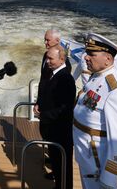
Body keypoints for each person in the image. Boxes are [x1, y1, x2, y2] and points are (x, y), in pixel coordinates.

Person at [73, 33, 117, 189]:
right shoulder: (96, 77)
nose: (86, 57)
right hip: (87, 155)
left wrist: (110, 177)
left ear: (108, 59)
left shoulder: (116, 89)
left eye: (92, 54)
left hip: (97, 160)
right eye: (87, 53)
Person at [34, 45, 76, 189]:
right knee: (57, 165)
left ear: (62, 59)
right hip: (52, 129)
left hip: (60, 131)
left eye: (51, 58)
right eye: (47, 58)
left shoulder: (65, 78)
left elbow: (65, 108)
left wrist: (43, 115)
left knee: (63, 166)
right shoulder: (53, 74)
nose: (47, 61)